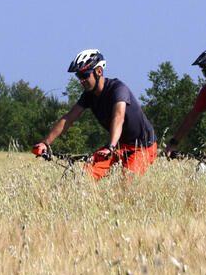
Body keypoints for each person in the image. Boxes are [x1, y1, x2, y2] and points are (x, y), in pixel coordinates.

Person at [32, 49, 158, 180]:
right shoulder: (88, 96)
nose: (81, 80)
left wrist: (110, 147)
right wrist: (45, 143)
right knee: (84, 176)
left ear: (99, 71)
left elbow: (118, 117)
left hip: (143, 147)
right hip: (119, 145)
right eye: (78, 76)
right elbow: (69, 118)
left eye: (85, 75)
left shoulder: (118, 89)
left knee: (126, 182)